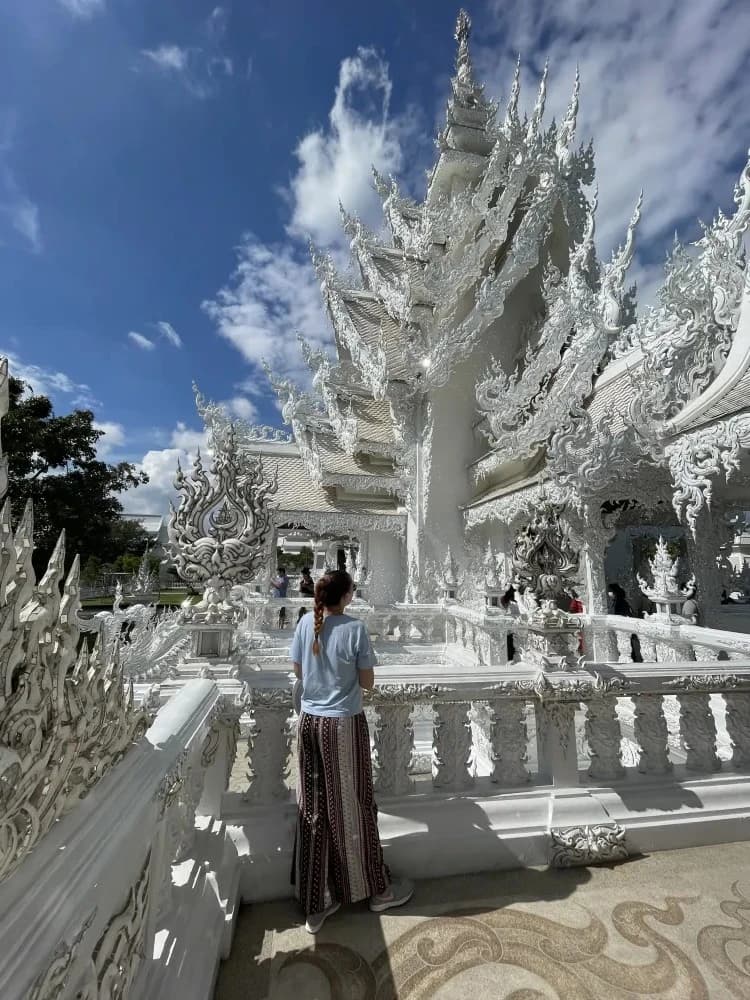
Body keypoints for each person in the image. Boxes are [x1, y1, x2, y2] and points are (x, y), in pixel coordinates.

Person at [290, 569, 413, 934]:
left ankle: (318, 900)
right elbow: (367, 682)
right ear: (345, 597)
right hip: (342, 725)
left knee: (312, 807)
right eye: (353, 590)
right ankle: (376, 890)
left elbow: (298, 671)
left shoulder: (304, 625)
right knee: (354, 806)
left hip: (309, 722)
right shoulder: (355, 629)